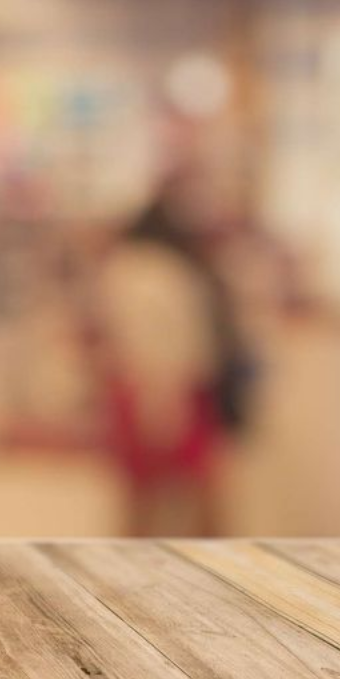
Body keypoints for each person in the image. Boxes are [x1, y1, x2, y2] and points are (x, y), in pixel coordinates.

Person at [93, 183, 254, 536]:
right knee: (199, 493)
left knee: (143, 497)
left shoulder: (123, 268)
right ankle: (216, 574)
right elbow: (174, 341)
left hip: (143, 387)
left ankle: (127, 578)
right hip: (175, 388)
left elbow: (126, 339)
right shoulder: (169, 271)